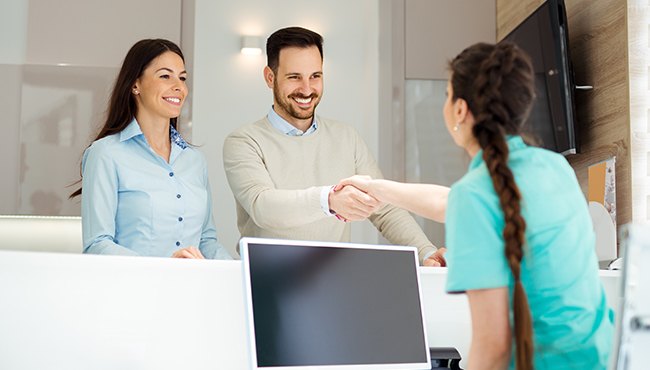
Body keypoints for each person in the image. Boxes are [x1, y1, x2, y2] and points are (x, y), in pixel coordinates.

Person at [338, 42, 614, 369]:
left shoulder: (476, 194)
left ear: (460, 110)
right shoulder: (555, 167)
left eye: (447, 94)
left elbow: (493, 346)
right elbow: (455, 202)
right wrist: (378, 188)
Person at [222, 26, 446, 266]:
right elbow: (263, 207)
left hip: (333, 279)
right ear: (270, 77)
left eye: (315, 76)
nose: (307, 89)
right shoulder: (244, 141)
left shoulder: (346, 137)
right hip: (266, 279)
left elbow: (384, 209)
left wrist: (425, 252)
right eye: (294, 77)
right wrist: (328, 200)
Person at [70, 39, 230, 260]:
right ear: (135, 84)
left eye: (182, 78)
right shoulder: (105, 154)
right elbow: (97, 244)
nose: (179, 86)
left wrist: (236, 270)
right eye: (165, 76)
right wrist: (163, 267)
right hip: (135, 290)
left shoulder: (195, 161)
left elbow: (206, 240)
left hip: (191, 290)